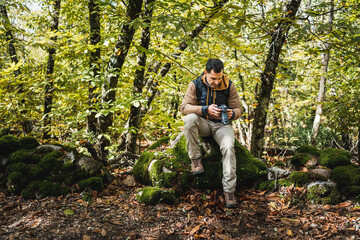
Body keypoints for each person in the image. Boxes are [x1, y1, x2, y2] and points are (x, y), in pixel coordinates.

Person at [180, 58, 242, 208]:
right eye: (213, 78)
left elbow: (239, 109)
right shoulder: (195, 84)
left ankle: (229, 191)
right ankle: (195, 160)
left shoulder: (229, 85)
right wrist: (204, 109)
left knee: (228, 147)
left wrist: (231, 113)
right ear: (206, 73)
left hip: (222, 125)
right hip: (203, 123)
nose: (216, 82)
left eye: (219, 78)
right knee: (189, 119)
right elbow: (184, 108)